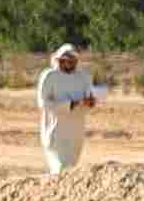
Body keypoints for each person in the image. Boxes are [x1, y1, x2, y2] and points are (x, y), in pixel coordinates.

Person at [31, 42, 104, 175]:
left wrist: (90, 102)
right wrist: (70, 104)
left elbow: (88, 101)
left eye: (72, 61)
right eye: (65, 61)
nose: (69, 64)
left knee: (70, 170)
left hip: (76, 131)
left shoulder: (83, 77)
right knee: (60, 168)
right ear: (59, 60)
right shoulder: (49, 76)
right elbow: (43, 104)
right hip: (56, 130)